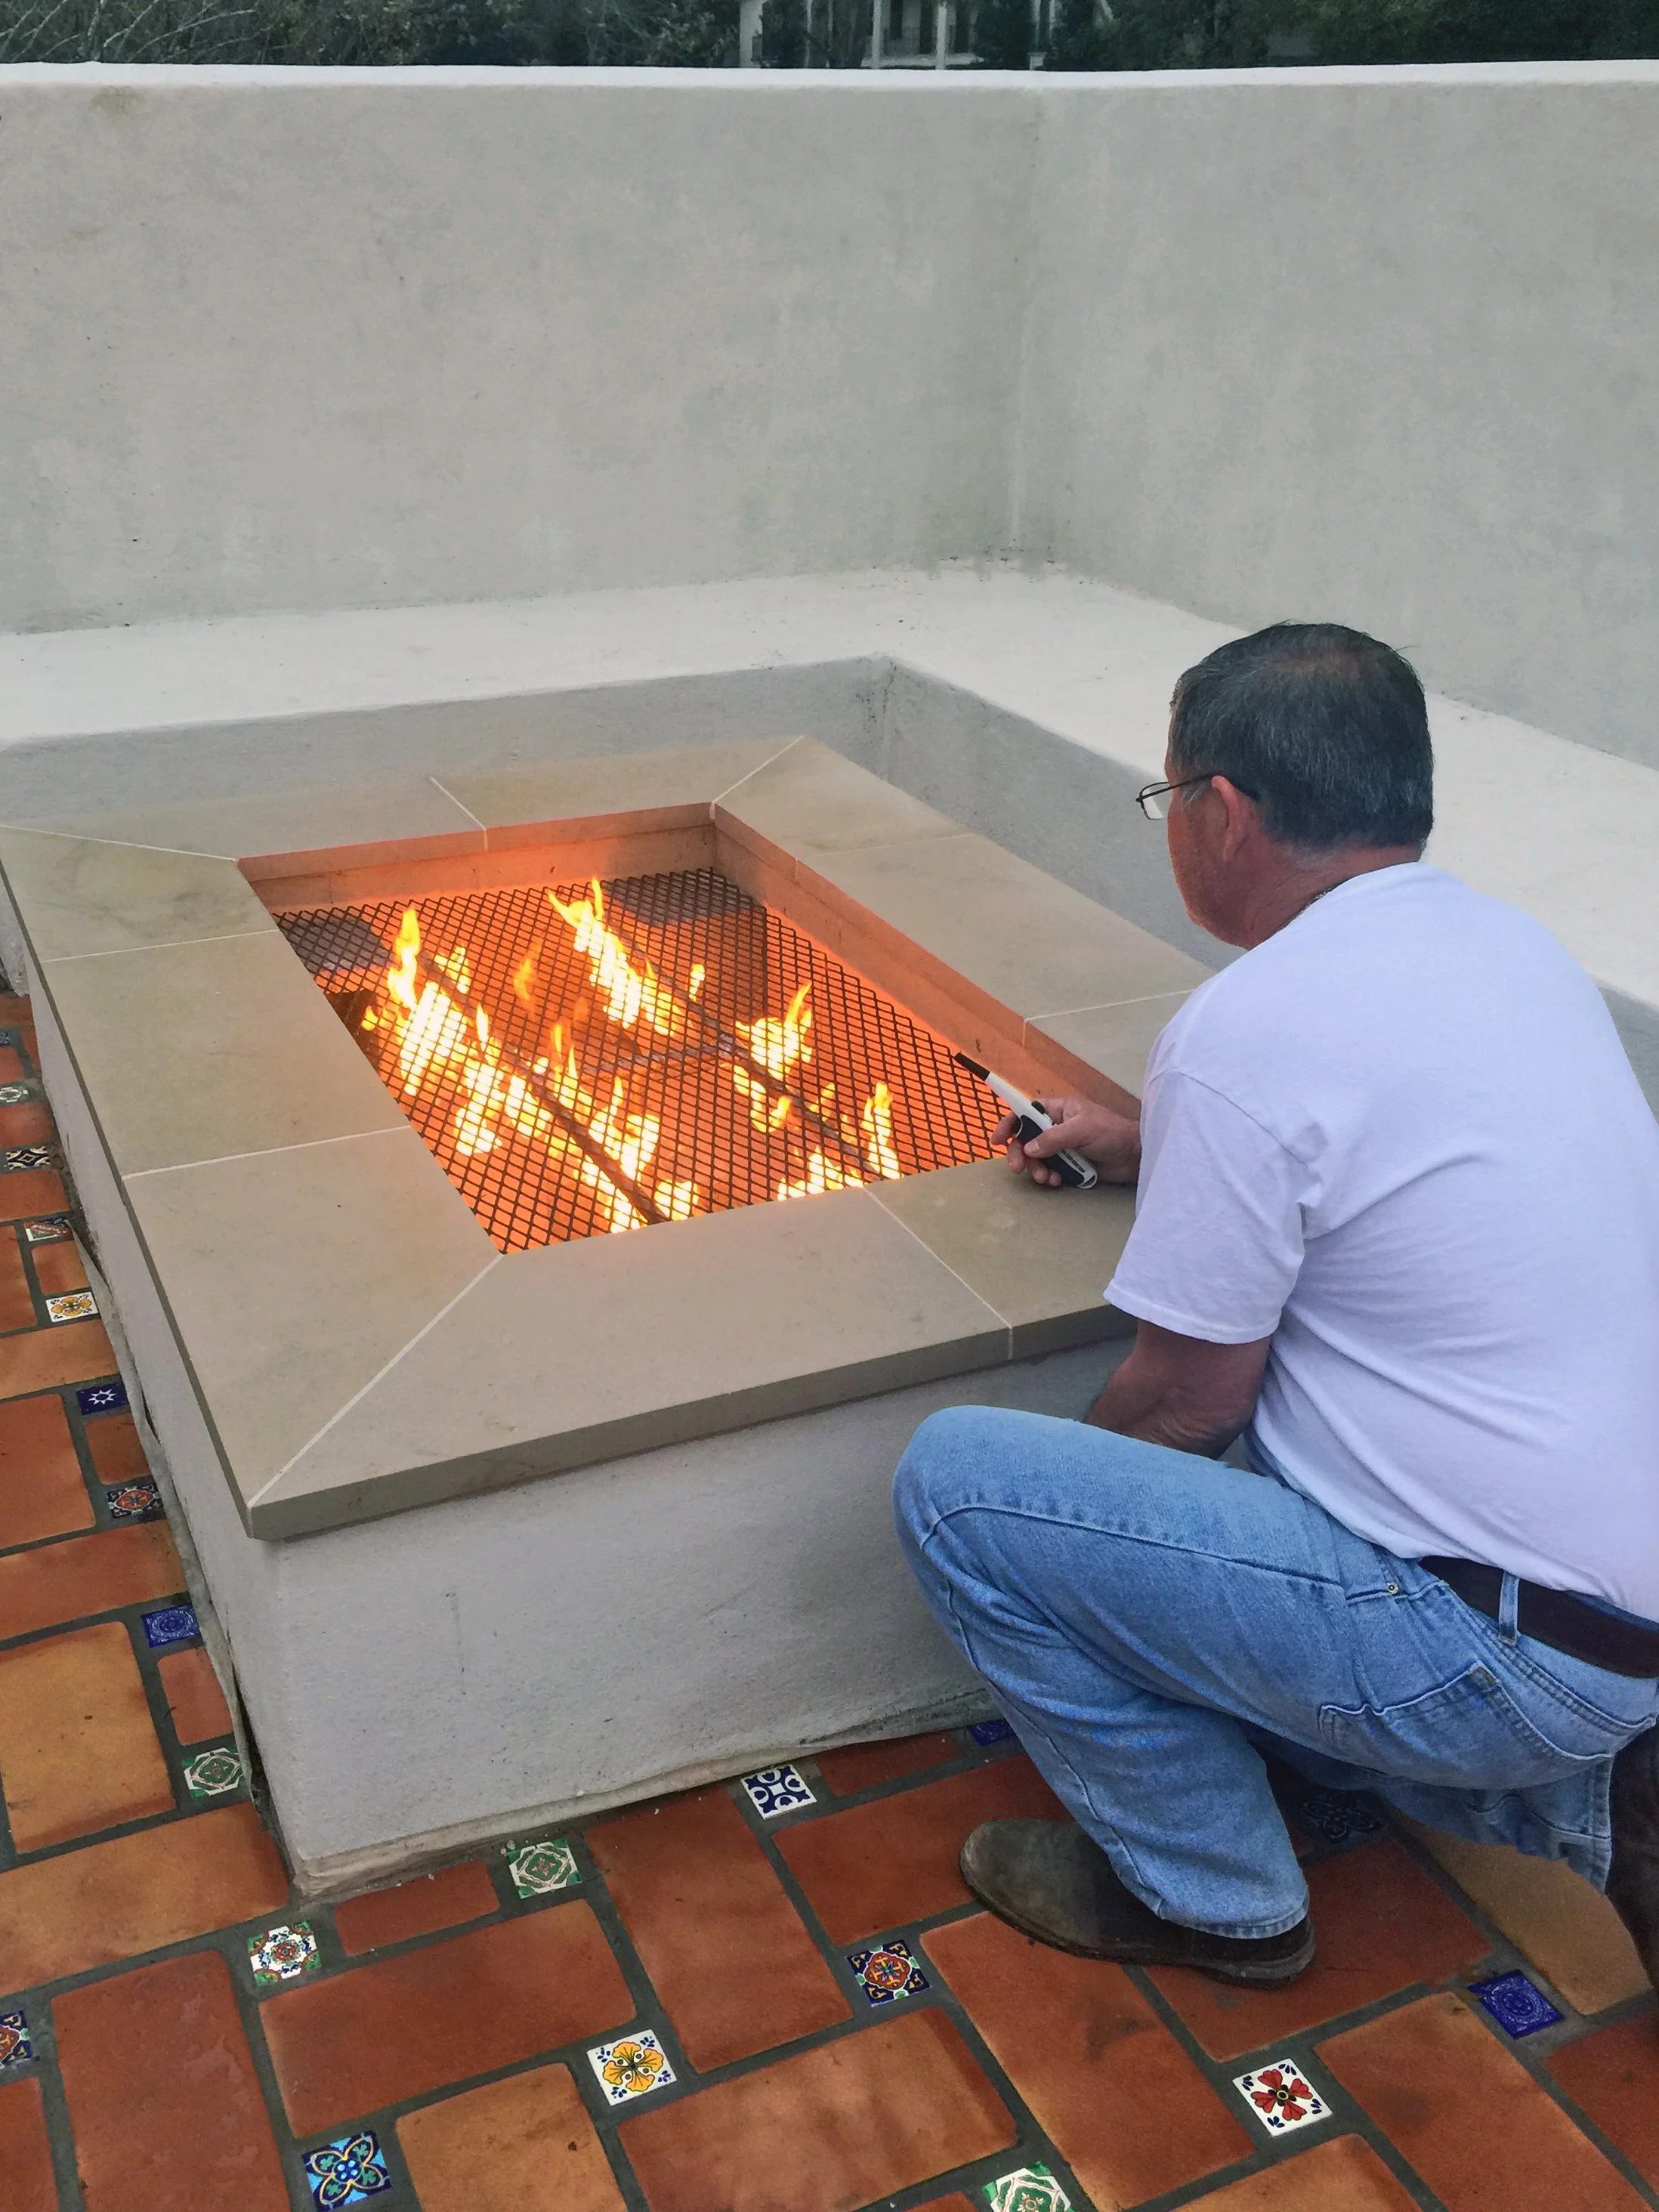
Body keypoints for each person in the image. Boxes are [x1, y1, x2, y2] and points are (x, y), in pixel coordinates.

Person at [894, 623, 1659, 1990]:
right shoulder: (1515, 949)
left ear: (1226, 812)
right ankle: (1599, 1811)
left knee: (961, 1492)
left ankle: (1216, 1896)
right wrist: (1158, 1144)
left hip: (1481, 1642)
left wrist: (1074, 1537)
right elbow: (1367, 1158)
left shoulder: (1249, 1031)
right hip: (1614, 1620)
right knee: (1251, 1554)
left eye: (1169, 797)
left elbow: (1187, 1404)